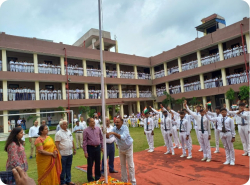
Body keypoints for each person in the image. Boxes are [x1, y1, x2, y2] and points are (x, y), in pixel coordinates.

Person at [107, 117, 136, 185]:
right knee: (122, 165)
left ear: (122, 122)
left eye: (118, 122)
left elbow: (123, 137)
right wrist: (105, 133)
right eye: (115, 122)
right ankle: (124, 181)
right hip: (121, 149)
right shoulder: (114, 128)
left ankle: (133, 182)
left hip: (128, 147)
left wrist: (113, 133)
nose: (116, 124)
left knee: (130, 165)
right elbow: (109, 136)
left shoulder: (125, 128)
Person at [55, 120, 76, 185]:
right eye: (64, 124)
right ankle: (62, 182)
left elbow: (72, 141)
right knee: (63, 168)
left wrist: (74, 149)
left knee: (68, 167)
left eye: (66, 124)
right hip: (63, 154)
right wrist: (59, 153)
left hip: (70, 153)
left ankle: (68, 180)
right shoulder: (58, 133)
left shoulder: (69, 131)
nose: (66, 125)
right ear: (61, 126)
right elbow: (57, 144)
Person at [83, 118, 103, 182]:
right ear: (88, 123)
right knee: (90, 164)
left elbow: (101, 138)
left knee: (98, 163)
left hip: (97, 148)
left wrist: (102, 147)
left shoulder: (98, 129)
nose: (93, 122)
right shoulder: (86, 130)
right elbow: (84, 141)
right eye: (92, 121)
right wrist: (85, 151)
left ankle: (97, 177)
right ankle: (90, 178)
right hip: (90, 148)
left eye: (94, 121)